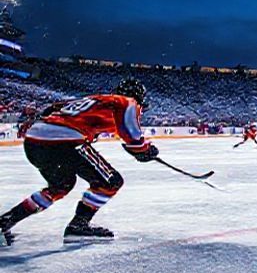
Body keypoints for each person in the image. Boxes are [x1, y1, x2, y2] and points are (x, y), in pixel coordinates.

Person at [0, 78, 159, 246]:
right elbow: (131, 134)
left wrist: (36, 120)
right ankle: (78, 225)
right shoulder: (126, 101)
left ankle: (5, 221)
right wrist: (144, 150)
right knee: (110, 182)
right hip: (64, 140)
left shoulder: (93, 100)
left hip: (35, 140)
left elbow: (53, 107)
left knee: (60, 186)